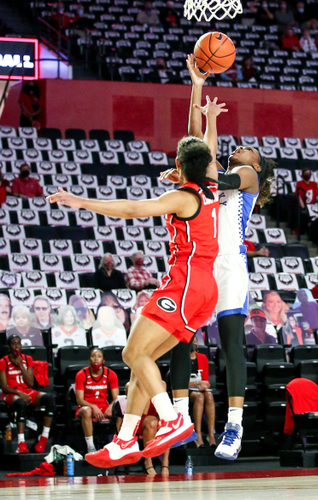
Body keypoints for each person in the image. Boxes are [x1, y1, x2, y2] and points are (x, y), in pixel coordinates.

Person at [47, 93, 223, 467]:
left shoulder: (182, 197)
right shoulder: (210, 186)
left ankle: (174, 418)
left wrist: (81, 202)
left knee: (131, 353)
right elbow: (205, 146)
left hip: (186, 281)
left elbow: (132, 209)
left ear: (178, 165)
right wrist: (204, 106)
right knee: (140, 370)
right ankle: (126, 440)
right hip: (204, 287)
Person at [161, 54, 274, 461]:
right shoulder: (215, 172)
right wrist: (196, 86)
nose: (240, 148)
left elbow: (208, 171)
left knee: (231, 347)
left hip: (230, 267)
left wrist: (186, 173)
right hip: (201, 264)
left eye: (248, 149)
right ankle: (177, 420)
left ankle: (234, 427)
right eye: (238, 145)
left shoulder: (247, 178)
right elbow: (196, 150)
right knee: (179, 339)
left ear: (257, 166)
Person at [0, 335, 54, 453]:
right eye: (13, 344)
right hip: (10, 392)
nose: (16, 346)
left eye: (18, 343)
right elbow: (4, 387)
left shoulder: (27, 359)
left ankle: (43, 437)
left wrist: (21, 365)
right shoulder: (3, 361)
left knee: (49, 398)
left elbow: (30, 382)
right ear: (9, 347)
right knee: (21, 403)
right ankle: (21, 442)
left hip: (26, 390)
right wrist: (19, 393)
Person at [115, 383, 170, 475]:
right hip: (136, 422)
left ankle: (165, 464)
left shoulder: (162, 384)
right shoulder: (131, 386)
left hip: (154, 420)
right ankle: (148, 462)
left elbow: (162, 408)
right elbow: (144, 410)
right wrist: (148, 389)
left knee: (167, 423)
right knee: (151, 422)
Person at [75, 348, 119, 453]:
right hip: (85, 406)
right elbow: (79, 399)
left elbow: (116, 398)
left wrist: (111, 406)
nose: (96, 359)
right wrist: (93, 407)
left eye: (99, 356)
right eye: (93, 356)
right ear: (89, 359)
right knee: (87, 411)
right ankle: (90, 446)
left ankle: (117, 443)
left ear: (103, 360)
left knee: (120, 410)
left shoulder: (111, 374)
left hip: (103, 406)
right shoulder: (81, 374)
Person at [189, 336, 216, 448]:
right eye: (192, 340)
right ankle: (198, 434)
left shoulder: (203, 358)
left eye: (196, 340)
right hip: (187, 392)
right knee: (199, 397)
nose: (194, 342)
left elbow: (207, 382)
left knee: (209, 395)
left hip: (200, 390)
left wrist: (203, 385)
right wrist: (198, 383)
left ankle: (211, 435)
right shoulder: (181, 359)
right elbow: (181, 384)